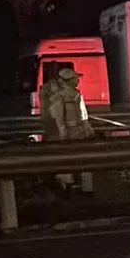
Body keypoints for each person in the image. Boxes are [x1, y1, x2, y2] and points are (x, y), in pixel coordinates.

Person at [38, 64, 95, 193]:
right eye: (75, 78)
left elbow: (82, 114)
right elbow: (59, 117)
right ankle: (69, 186)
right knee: (71, 159)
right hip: (71, 134)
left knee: (78, 160)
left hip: (77, 133)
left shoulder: (73, 94)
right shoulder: (61, 96)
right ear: (68, 80)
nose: (78, 80)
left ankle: (80, 187)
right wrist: (63, 133)